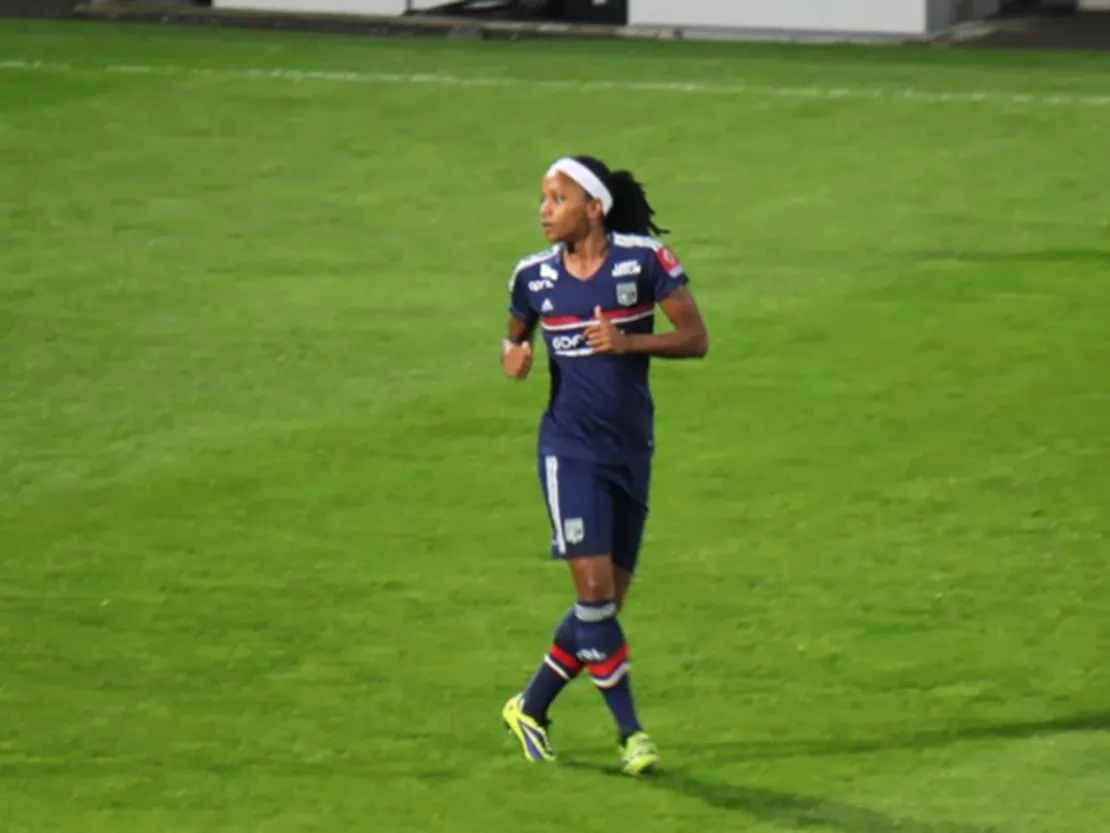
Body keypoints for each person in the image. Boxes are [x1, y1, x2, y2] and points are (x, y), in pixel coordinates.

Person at [499, 155, 709, 775]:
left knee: (604, 609)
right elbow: (515, 333)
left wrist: (628, 342)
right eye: (542, 198)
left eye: (557, 198)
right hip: (570, 451)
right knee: (592, 594)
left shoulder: (643, 261)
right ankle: (632, 734)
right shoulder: (533, 277)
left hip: (631, 450)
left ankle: (530, 706)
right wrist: (513, 354)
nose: (544, 210)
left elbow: (696, 339)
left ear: (594, 207)